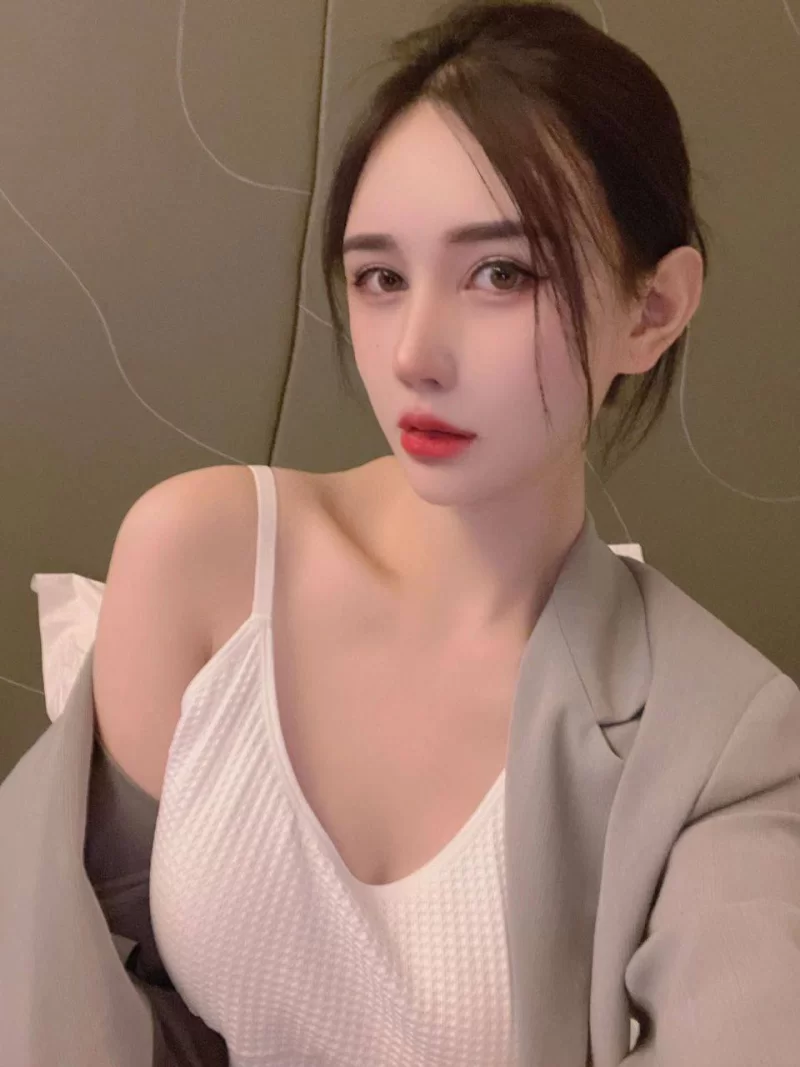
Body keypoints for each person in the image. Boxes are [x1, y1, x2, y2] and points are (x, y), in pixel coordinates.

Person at [6, 3, 799, 1066]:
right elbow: (87, 976)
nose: (414, 353)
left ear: (650, 309)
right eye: (379, 277)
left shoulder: (724, 741)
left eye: (501, 273)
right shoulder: (201, 560)